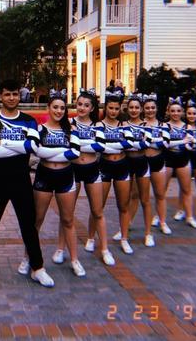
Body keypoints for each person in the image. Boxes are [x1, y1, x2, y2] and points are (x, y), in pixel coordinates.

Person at [0, 80, 54, 288]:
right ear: (1, 96)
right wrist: (19, 146)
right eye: (7, 94)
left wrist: (3, 143)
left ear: (19, 96)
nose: (12, 98)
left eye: (15, 94)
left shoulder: (29, 121)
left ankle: (38, 267)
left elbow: (32, 147)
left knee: (28, 225)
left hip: (21, 178)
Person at [30, 89, 85, 277]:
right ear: (48, 108)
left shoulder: (71, 130)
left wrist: (48, 152)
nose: (59, 111)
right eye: (55, 107)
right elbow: (36, 151)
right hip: (44, 175)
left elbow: (75, 153)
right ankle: (29, 258)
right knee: (37, 220)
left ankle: (75, 260)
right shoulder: (39, 129)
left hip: (65, 176)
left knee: (68, 220)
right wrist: (61, 151)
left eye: (62, 108)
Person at [72, 89, 114, 266]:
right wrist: (89, 144)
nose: (82, 108)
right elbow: (70, 145)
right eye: (79, 104)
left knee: (98, 211)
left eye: (86, 105)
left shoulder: (98, 125)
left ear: (92, 108)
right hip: (73, 170)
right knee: (67, 214)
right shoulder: (69, 123)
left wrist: (78, 144)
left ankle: (104, 249)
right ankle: (60, 248)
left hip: (92, 169)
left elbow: (100, 147)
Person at [91, 90, 135, 254]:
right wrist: (117, 145)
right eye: (110, 108)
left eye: (116, 108)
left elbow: (129, 144)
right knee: (98, 207)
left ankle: (124, 238)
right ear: (105, 108)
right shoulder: (98, 125)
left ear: (120, 109)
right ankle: (90, 237)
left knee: (123, 205)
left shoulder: (124, 125)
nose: (113, 111)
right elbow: (99, 146)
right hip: (104, 166)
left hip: (122, 166)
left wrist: (108, 146)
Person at [115, 93, 155, 247]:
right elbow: (122, 144)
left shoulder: (147, 125)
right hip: (126, 163)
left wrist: (130, 144)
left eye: (136, 107)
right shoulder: (122, 124)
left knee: (145, 199)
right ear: (127, 109)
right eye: (131, 107)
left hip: (141, 163)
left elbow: (147, 144)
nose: (133, 110)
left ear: (141, 109)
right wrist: (135, 144)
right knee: (125, 200)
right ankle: (123, 229)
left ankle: (148, 233)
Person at [164, 97, 196, 228]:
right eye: (173, 111)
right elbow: (165, 144)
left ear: (182, 112)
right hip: (168, 158)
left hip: (183, 158)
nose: (175, 113)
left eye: (178, 111)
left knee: (186, 189)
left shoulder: (187, 126)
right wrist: (182, 142)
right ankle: (159, 216)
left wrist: (192, 143)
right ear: (168, 112)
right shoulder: (165, 126)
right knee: (162, 190)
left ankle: (189, 216)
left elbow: (190, 145)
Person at [141, 94, 172, 235]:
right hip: (142, 161)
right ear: (143, 109)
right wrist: (155, 140)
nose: (150, 110)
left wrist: (148, 141)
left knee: (160, 194)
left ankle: (162, 221)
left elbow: (165, 143)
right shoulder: (139, 124)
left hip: (157, 160)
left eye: (152, 108)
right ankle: (127, 223)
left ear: (157, 108)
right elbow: (138, 144)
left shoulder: (163, 125)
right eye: (147, 108)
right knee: (136, 195)